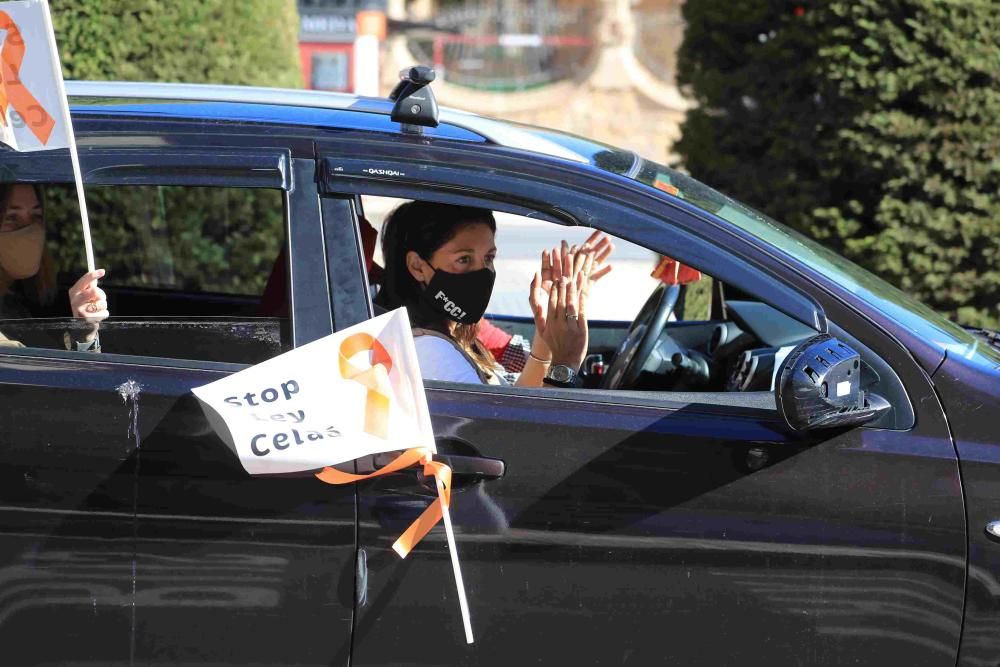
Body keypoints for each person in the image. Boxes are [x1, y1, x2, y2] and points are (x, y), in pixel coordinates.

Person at [375, 200, 599, 387]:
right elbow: (514, 438)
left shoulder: (453, 332)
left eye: (488, 258)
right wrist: (565, 365)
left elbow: (513, 407)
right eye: (463, 259)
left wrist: (546, 338)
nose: (480, 273)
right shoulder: (432, 354)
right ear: (417, 266)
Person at [0, 184, 108, 349]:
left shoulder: (13, 304)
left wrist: (84, 332)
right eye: (12, 217)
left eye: (36, 216)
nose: (30, 230)